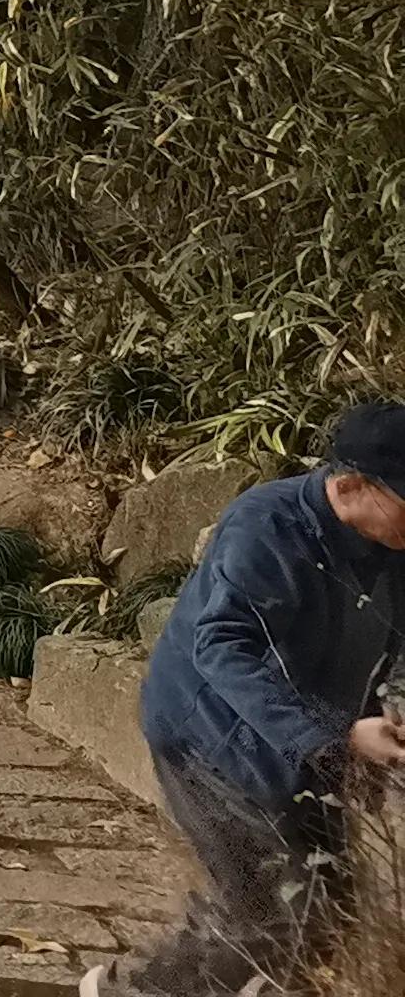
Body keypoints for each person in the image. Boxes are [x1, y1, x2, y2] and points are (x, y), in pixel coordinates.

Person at [108, 402, 405, 996]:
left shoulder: (391, 544)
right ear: (347, 487)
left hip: (312, 739)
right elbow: (222, 648)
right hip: (209, 736)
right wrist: (337, 738)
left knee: (326, 903)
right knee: (270, 905)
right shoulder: (265, 526)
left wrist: (386, 714)